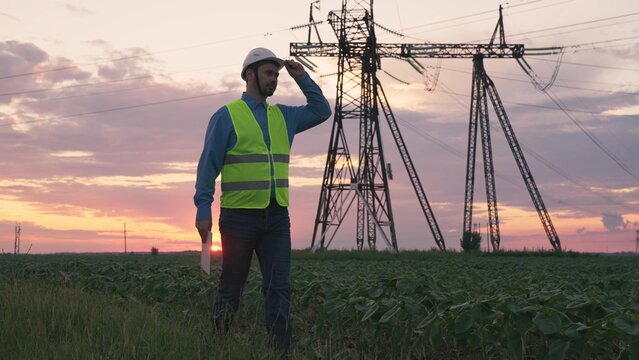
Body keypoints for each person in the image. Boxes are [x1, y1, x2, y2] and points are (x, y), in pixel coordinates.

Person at [193, 47, 331, 355]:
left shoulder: (284, 116)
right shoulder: (227, 116)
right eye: (269, 73)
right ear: (250, 75)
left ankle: (279, 351)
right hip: (239, 218)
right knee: (231, 287)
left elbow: (322, 110)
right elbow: (207, 166)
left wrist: (302, 77)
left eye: (277, 75)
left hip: (277, 217)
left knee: (279, 287)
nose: (274, 80)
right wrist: (203, 208)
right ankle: (217, 347)